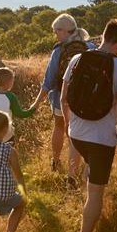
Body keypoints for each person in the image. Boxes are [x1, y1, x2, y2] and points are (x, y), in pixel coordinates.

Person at [60, 19, 117, 232]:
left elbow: (64, 97)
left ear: (103, 36)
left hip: (77, 134)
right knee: (95, 192)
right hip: (101, 139)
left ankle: (87, 176)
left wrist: (67, 123)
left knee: (90, 170)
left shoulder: (77, 59)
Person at [31, 14, 93, 174]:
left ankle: (56, 161)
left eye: (57, 30)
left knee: (59, 127)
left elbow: (49, 81)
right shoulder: (91, 47)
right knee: (80, 131)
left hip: (61, 98)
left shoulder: (59, 51)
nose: (55, 34)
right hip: (85, 99)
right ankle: (79, 169)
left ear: (66, 31)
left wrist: (36, 103)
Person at [0, 67, 35, 143]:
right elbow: (21, 114)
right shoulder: (11, 96)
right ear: (8, 82)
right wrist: (34, 107)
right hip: (6, 136)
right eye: (12, 80)